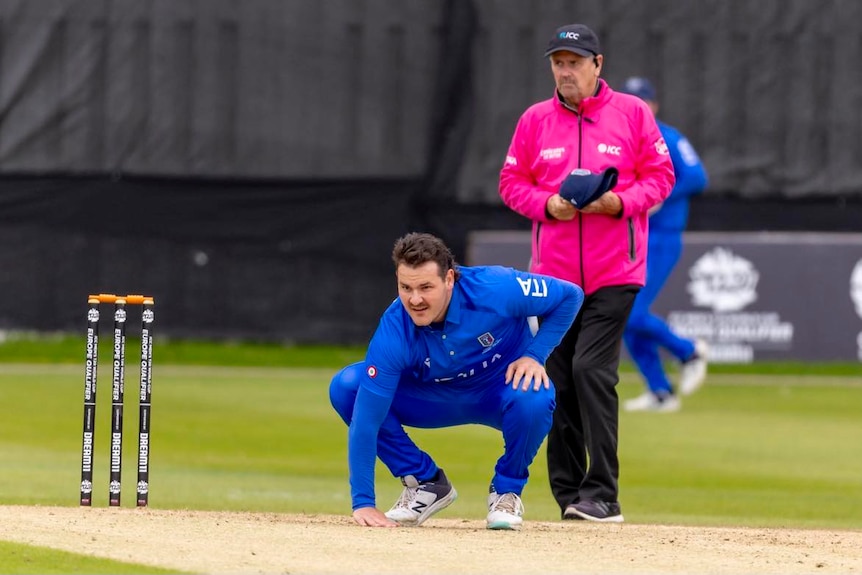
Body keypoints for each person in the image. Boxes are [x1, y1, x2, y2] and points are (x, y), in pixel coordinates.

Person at [498, 24, 674, 523]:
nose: (565, 70)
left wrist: (618, 201)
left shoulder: (633, 113)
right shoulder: (535, 119)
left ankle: (604, 495)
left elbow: (661, 178)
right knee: (556, 383)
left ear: (598, 65)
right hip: (553, 282)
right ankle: (570, 495)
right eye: (558, 61)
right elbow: (512, 183)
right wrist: (547, 205)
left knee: (590, 371)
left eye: (575, 61)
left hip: (616, 270)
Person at [329, 232, 583, 530]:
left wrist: (536, 355)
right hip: (433, 398)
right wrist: (364, 502)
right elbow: (366, 420)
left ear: (449, 279)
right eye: (405, 287)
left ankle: (506, 491)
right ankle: (425, 483)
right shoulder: (394, 329)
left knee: (534, 395)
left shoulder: (497, 288)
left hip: (499, 391)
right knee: (348, 387)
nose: (415, 299)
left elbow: (570, 295)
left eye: (426, 287)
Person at [620, 76, 709, 413]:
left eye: (642, 101)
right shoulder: (619, 140)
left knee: (630, 311)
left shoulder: (668, 137)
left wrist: (660, 194)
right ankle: (660, 391)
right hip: (629, 236)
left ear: (653, 105)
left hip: (661, 235)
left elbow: (697, 176)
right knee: (624, 312)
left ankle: (689, 351)